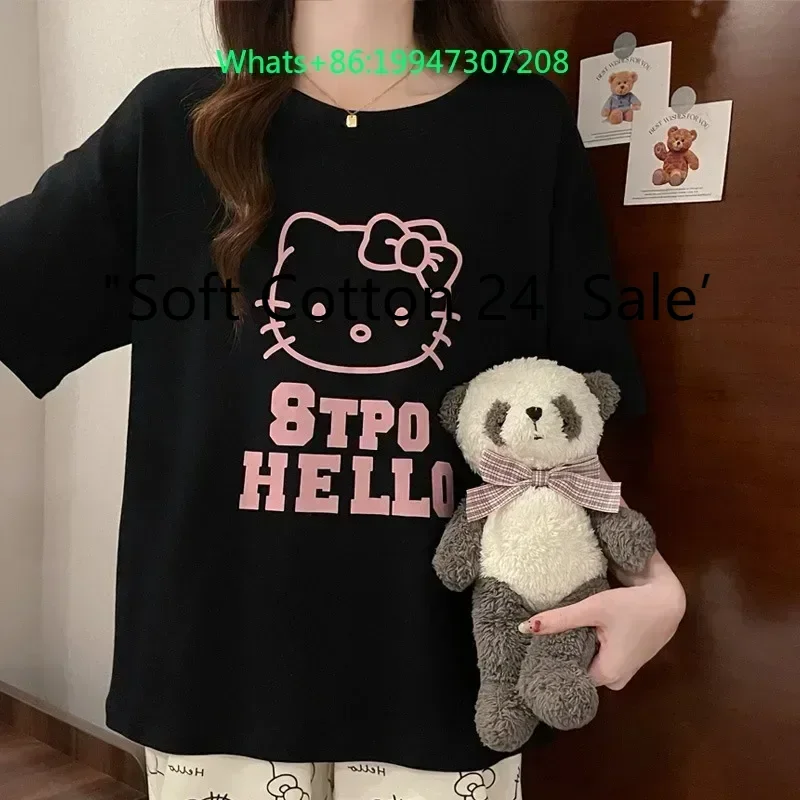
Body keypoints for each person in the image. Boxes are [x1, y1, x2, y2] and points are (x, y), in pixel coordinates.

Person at [0, 1, 686, 798]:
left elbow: (569, 403)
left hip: (442, 660)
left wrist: (648, 575)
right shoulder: (175, 122)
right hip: (218, 657)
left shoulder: (523, 127)